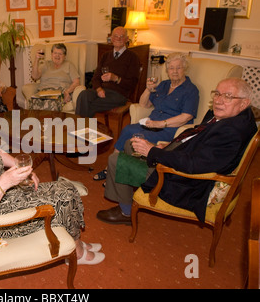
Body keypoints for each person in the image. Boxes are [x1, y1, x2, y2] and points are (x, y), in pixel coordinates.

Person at [0, 95, 105, 265]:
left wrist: (18, 166)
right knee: (64, 199)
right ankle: (76, 251)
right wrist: (4, 182)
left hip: (9, 194)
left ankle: (74, 241)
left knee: (67, 188)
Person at [97, 77, 257, 224]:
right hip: (182, 157)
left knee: (115, 160)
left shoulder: (230, 132)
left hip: (182, 180)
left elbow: (193, 165)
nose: (219, 100)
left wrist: (154, 152)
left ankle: (126, 213)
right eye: (217, 94)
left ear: (244, 103)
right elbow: (195, 136)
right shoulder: (229, 117)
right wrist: (168, 145)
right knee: (129, 145)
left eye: (228, 96)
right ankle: (127, 191)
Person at [93, 52, 199, 181]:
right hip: (151, 123)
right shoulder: (164, 85)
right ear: (167, 70)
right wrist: (148, 89)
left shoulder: (190, 90)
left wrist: (161, 124)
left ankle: (122, 174)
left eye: (178, 68)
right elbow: (144, 104)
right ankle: (110, 168)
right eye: (171, 68)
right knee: (128, 129)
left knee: (138, 138)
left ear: (184, 69)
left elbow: (186, 117)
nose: (175, 71)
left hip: (169, 129)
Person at [75, 26, 141, 118]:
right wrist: (99, 89)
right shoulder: (106, 55)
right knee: (83, 95)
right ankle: (84, 130)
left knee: (89, 105)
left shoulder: (133, 57)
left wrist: (116, 78)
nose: (118, 38)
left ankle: (81, 129)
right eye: (116, 36)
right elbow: (96, 77)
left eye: (122, 36)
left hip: (119, 95)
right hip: (102, 91)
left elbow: (132, 83)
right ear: (111, 39)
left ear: (126, 39)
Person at [30, 43, 80, 110]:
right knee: (32, 105)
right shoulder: (46, 64)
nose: (57, 56)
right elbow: (34, 76)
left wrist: (67, 92)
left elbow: (76, 82)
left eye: (60, 54)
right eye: (55, 53)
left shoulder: (69, 65)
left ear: (64, 56)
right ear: (51, 54)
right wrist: (36, 59)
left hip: (59, 93)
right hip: (43, 93)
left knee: (49, 105)